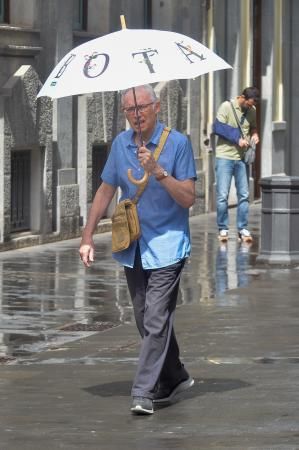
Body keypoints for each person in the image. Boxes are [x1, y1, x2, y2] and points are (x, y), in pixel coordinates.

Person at [79, 84, 196, 415]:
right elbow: (105, 190)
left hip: (169, 244)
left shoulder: (178, 143)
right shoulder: (119, 144)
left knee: (156, 317)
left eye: (142, 107)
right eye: (129, 110)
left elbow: (188, 198)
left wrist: (158, 172)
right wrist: (87, 236)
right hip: (133, 244)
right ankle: (174, 374)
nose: (136, 115)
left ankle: (143, 391)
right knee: (145, 318)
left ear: (157, 107)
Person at [213, 86, 260, 243]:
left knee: (244, 195)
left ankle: (243, 228)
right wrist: (237, 139)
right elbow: (218, 127)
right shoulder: (226, 107)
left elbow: (253, 126)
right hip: (224, 157)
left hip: (241, 158)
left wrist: (254, 134)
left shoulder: (252, 110)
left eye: (252, 105)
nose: (250, 107)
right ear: (242, 97)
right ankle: (223, 229)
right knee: (222, 196)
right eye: (248, 104)